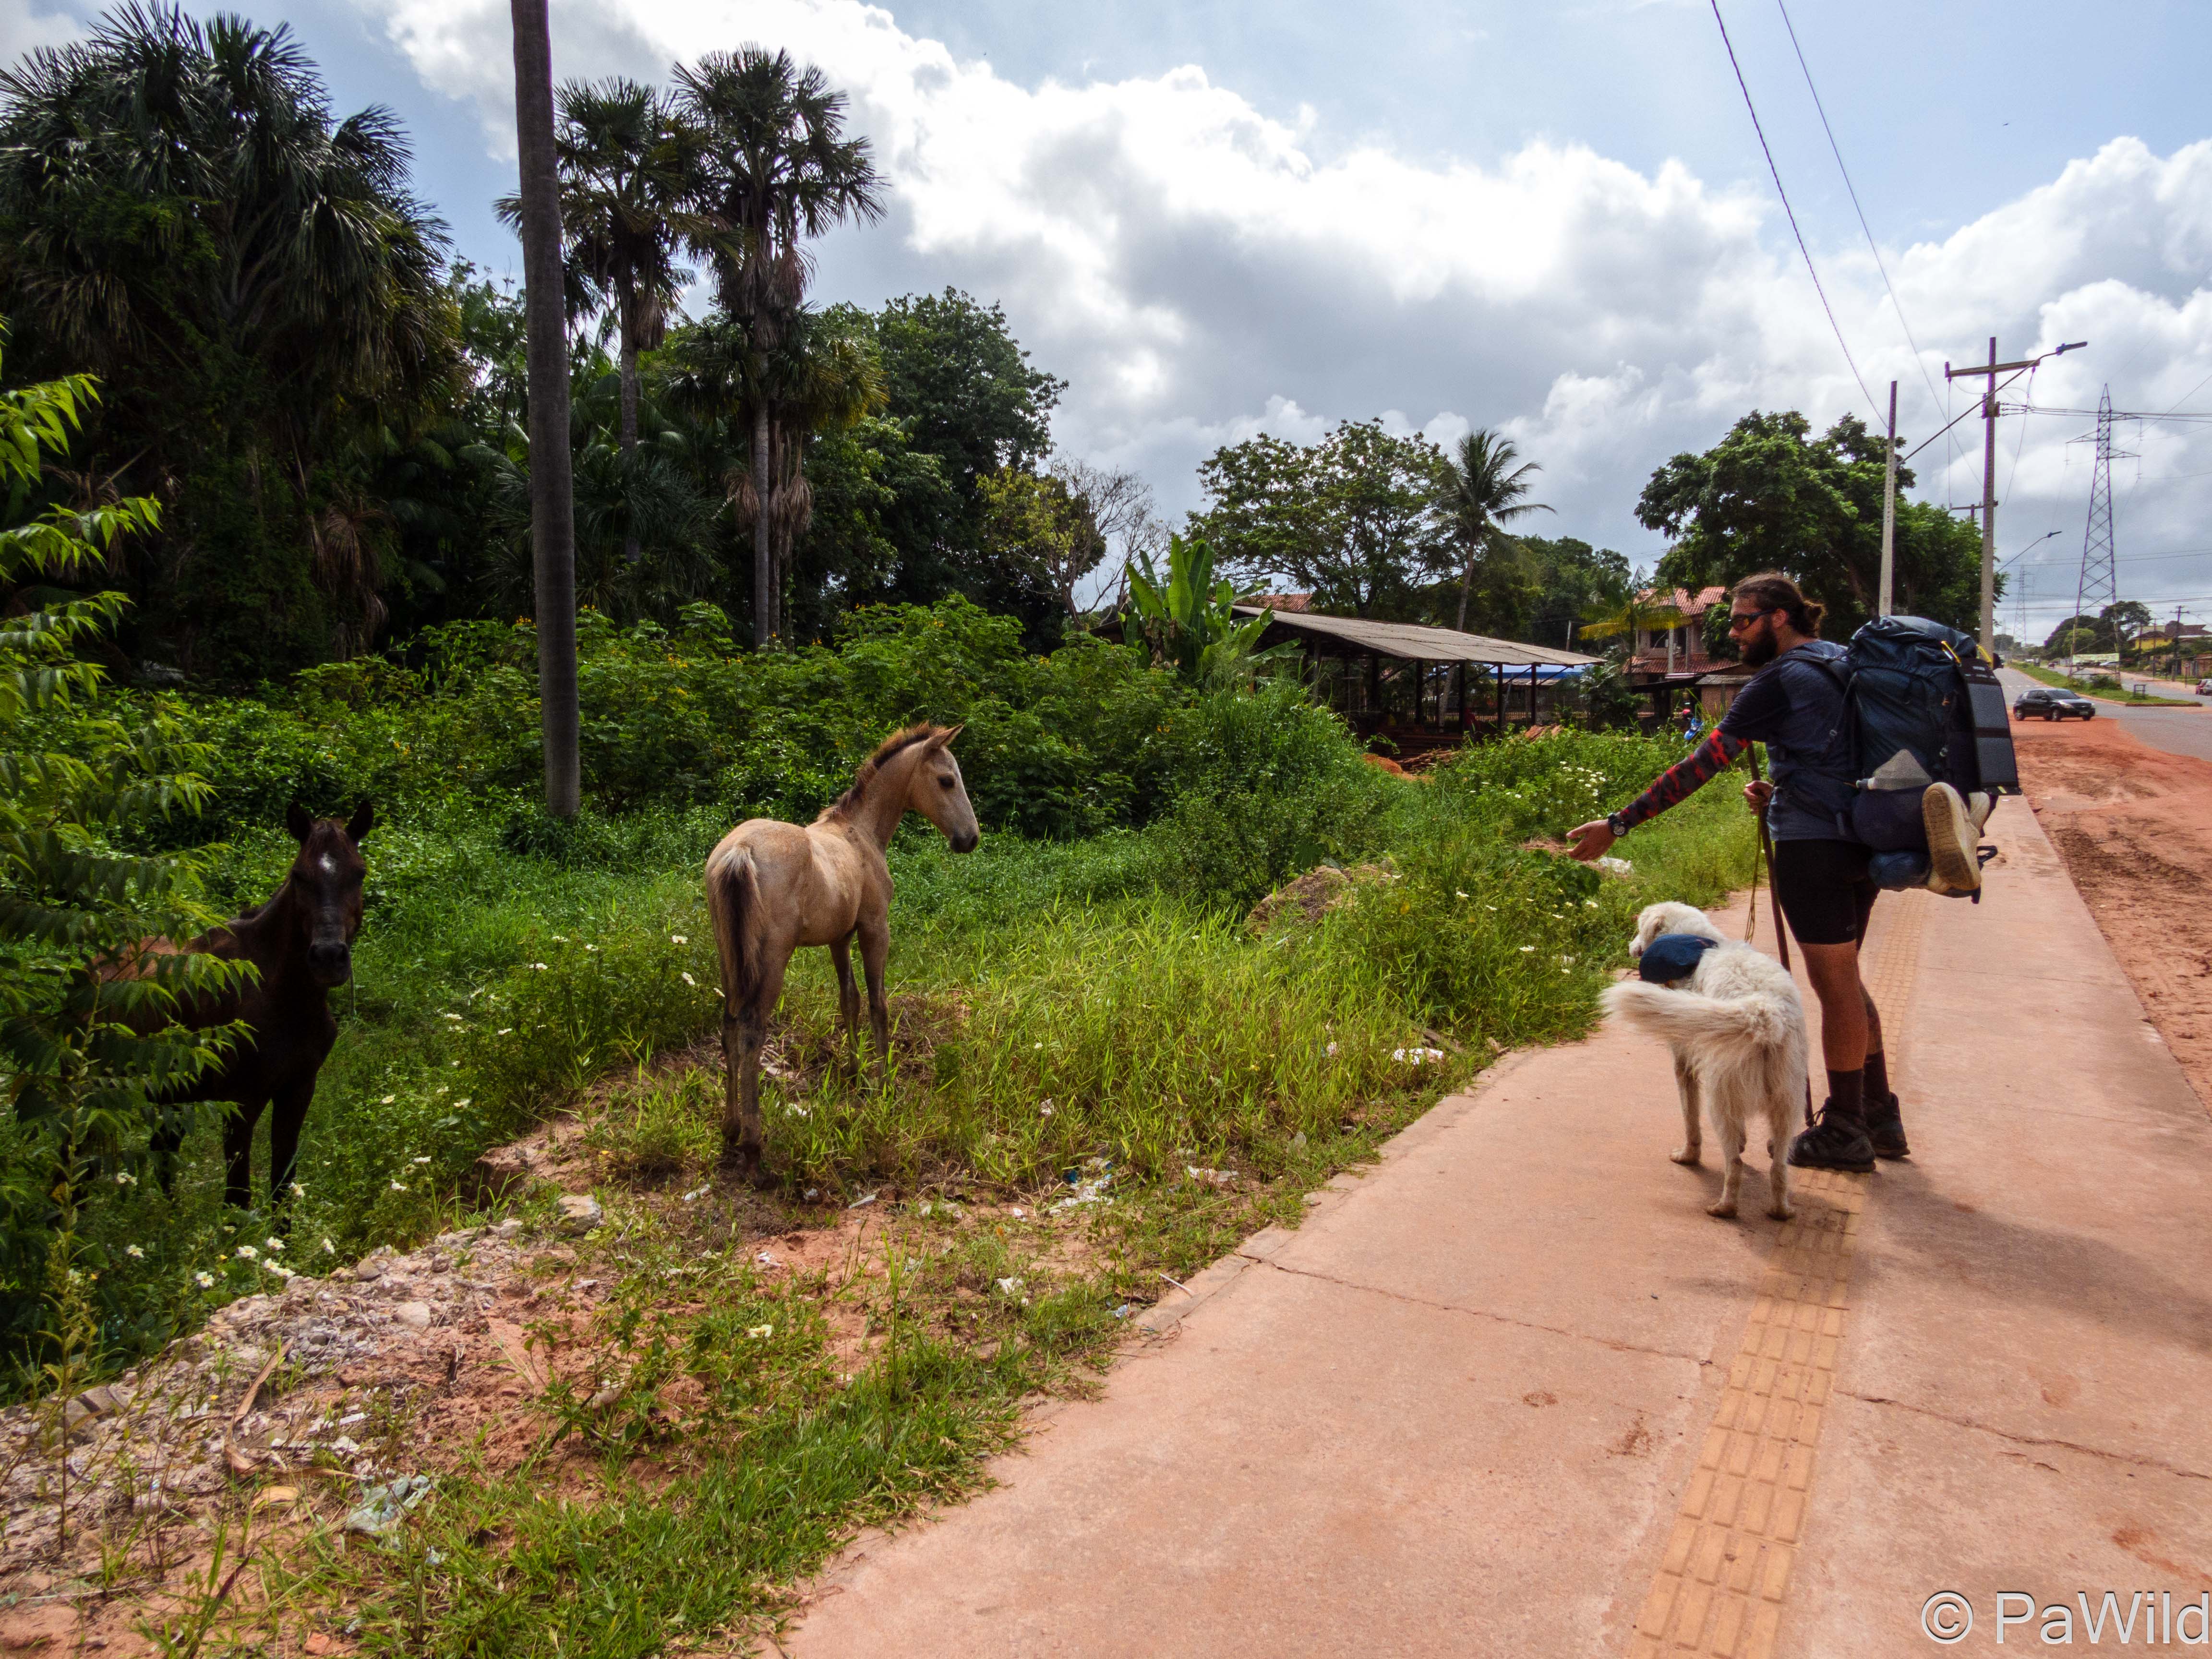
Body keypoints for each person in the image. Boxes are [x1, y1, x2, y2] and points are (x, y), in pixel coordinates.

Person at [1567, 572, 1975, 1171]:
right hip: (1866, 835)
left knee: (1834, 987)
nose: (1733, 633)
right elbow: (1840, 752)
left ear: (1779, 618)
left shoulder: (1779, 678)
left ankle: (1843, 1129)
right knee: (1848, 979)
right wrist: (1786, 785)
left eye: (1742, 620)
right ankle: (1879, 1114)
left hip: (1816, 848)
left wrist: (1619, 824)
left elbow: (1703, 764)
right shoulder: (1844, 661)